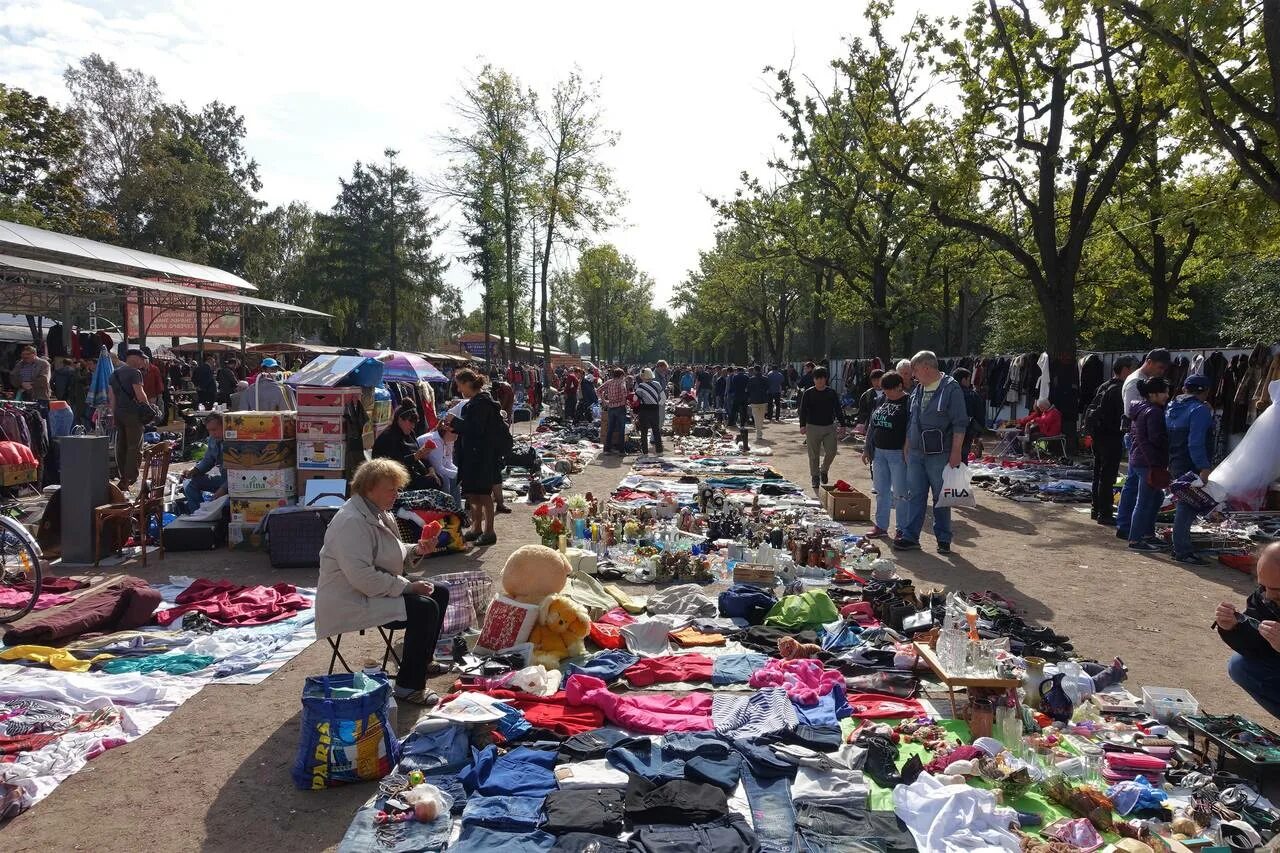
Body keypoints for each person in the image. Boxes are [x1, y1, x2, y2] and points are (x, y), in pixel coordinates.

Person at [316, 458, 451, 706]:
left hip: (375, 588)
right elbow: (362, 578)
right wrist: (408, 587)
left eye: (397, 488)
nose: (396, 494)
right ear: (369, 488)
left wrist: (418, 550)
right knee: (424, 606)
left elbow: (394, 554)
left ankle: (422, 661)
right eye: (391, 489)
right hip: (350, 599)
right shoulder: (351, 522)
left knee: (439, 592)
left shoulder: (379, 512)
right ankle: (409, 686)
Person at [897, 351, 970, 554]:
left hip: (940, 454)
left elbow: (960, 424)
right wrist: (907, 445)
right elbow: (912, 420)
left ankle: (943, 539)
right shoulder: (918, 390)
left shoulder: (951, 388)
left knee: (941, 497)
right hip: (916, 453)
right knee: (915, 495)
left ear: (926, 368)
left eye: (915, 370)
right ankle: (911, 537)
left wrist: (956, 453)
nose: (912, 375)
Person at [1215, 543, 1280, 719]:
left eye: (1277, 590)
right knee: (1241, 666)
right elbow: (1256, 647)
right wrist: (1232, 628)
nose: (1268, 595)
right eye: (1264, 586)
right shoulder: (1265, 598)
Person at [1115, 349, 1171, 539]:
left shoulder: (1142, 383)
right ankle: (1132, 530)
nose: (1161, 371)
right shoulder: (1134, 383)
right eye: (1160, 367)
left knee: (1139, 488)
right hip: (1140, 440)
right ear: (1149, 361)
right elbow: (1133, 413)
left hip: (1140, 439)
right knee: (1143, 492)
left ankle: (1131, 528)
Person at [446, 369, 506, 546]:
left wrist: (455, 422)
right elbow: (470, 429)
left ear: (466, 383)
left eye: (459, 385)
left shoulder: (482, 403)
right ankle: (476, 528)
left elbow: (476, 429)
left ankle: (489, 532)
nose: (458, 389)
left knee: (484, 494)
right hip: (473, 456)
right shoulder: (475, 402)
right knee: (472, 493)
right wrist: (454, 428)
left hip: (482, 456)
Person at [1167, 374, 1215, 564]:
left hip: (1175, 462)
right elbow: (1195, 443)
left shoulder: (1171, 407)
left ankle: (1178, 547)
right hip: (1191, 464)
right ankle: (1182, 551)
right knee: (1187, 508)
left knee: (1182, 504)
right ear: (1204, 391)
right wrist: (1204, 467)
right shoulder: (1199, 410)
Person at [1086, 357, 1135, 526]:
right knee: (1108, 476)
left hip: (1098, 435)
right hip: (1111, 436)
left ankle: (1096, 509)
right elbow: (1121, 417)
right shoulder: (1120, 389)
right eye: (1131, 368)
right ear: (1125, 370)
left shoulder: (1104, 386)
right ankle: (1105, 513)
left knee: (1098, 473)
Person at [1125, 376, 1171, 552]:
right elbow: (1156, 438)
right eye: (1164, 392)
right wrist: (1171, 441)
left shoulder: (1140, 408)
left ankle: (1146, 535)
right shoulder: (1154, 412)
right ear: (1152, 394)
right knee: (1144, 501)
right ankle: (1136, 540)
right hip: (1148, 461)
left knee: (1156, 497)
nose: (1167, 395)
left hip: (1139, 460)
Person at [861, 372, 909, 539]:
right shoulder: (881, 400)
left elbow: (912, 428)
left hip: (898, 454)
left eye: (889, 390)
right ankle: (881, 526)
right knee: (881, 491)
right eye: (884, 389)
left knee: (900, 494)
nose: (886, 393)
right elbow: (872, 425)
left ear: (899, 386)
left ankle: (902, 529)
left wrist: (907, 447)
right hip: (879, 453)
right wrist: (867, 448)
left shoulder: (909, 402)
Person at [798, 366, 848, 491]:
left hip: (829, 427)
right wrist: (802, 425)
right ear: (814, 379)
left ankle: (823, 470)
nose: (820, 381)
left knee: (832, 451)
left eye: (822, 378)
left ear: (826, 379)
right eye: (817, 378)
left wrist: (842, 424)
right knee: (813, 455)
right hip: (812, 427)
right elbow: (803, 410)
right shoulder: (808, 393)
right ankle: (815, 476)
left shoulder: (831, 393)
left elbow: (838, 409)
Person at [372, 404, 440, 492]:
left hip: (412, 473)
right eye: (411, 422)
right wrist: (415, 457)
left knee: (438, 479)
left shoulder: (410, 434)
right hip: (394, 478)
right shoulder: (388, 438)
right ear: (400, 419)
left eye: (415, 423)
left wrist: (431, 470)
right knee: (432, 482)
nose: (413, 426)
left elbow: (421, 455)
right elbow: (393, 464)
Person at [109, 349, 150, 490]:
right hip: (133, 414)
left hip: (119, 413)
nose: (143, 362)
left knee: (122, 446)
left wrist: (113, 415)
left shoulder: (114, 373)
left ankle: (122, 476)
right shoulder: (135, 373)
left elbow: (112, 397)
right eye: (141, 358)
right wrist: (148, 408)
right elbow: (140, 394)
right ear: (133, 358)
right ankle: (128, 479)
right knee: (135, 446)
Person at [182, 413, 227, 511]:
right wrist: (194, 471)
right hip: (224, 480)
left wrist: (223, 489)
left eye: (214, 430)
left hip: (237, 483)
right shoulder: (213, 439)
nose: (212, 434)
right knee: (191, 484)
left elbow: (239, 473)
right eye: (209, 430)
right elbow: (208, 460)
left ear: (225, 426)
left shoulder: (235, 442)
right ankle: (199, 514)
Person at [419, 421, 460, 504]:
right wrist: (459, 474)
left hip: (433, 467)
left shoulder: (449, 440)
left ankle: (456, 510)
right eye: (454, 432)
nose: (457, 434)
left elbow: (448, 463)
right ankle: (446, 508)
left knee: (455, 479)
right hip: (423, 466)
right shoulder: (436, 440)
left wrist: (460, 472)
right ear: (445, 430)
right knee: (446, 479)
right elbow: (439, 468)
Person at [953, 368, 984, 463]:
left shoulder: (947, 393)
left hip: (949, 431)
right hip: (966, 431)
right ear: (963, 380)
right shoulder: (972, 395)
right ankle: (960, 476)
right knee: (963, 458)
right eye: (969, 379)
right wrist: (978, 433)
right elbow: (980, 415)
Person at [633, 368, 665, 455]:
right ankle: (659, 451)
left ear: (643, 377)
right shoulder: (657, 384)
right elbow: (663, 398)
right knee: (656, 430)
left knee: (644, 431)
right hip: (655, 409)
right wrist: (657, 404)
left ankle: (645, 452)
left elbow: (635, 399)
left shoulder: (641, 386)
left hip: (644, 410)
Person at [598, 367, 630, 454]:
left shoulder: (609, 382)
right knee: (621, 429)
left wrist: (604, 400)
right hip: (620, 407)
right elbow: (624, 394)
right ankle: (621, 450)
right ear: (621, 375)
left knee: (610, 429)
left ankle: (606, 449)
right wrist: (624, 403)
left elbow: (599, 390)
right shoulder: (621, 382)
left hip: (611, 407)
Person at [853, 369, 884, 434]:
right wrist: (862, 425)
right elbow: (862, 413)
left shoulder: (890, 392)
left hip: (885, 426)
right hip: (870, 427)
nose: (876, 382)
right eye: (874, 380)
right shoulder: (867, 395)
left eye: (879, 380)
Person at [746, 365, 770, 441]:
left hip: (754, 400)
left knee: (756, 417)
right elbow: (768, 388)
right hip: (763, 400)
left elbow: (748, 389)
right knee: (761, 417)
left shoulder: (751, 379)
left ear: (755, 371)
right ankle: (759, 431)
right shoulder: (765, 379)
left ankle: (758, 432)